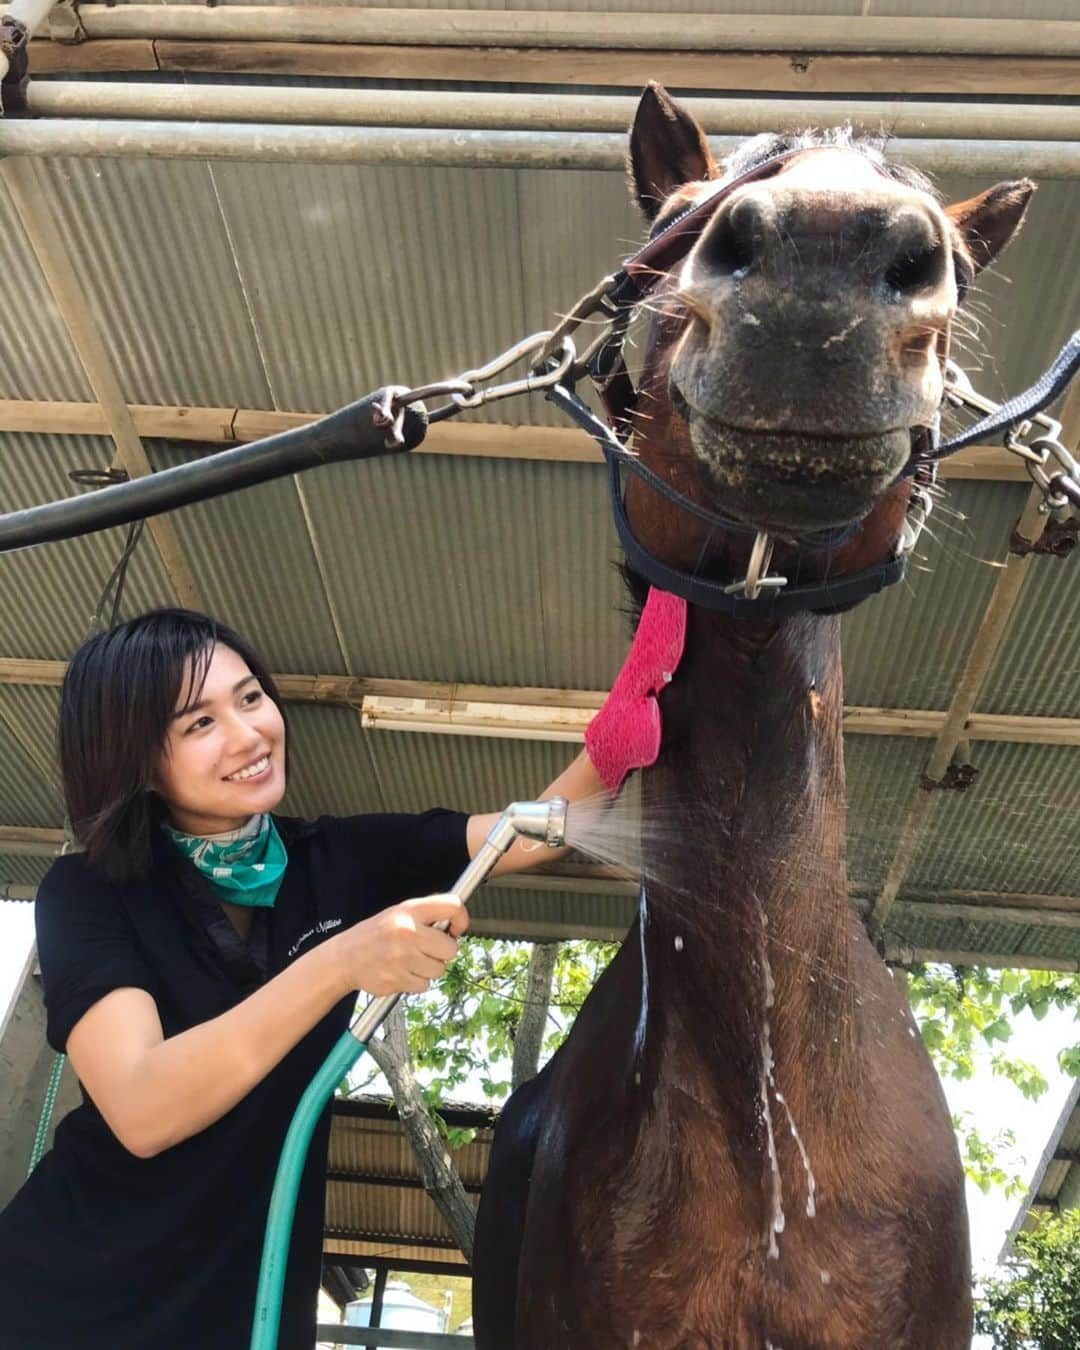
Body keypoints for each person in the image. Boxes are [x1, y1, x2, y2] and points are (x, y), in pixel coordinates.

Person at [0, 608, 609, 1350]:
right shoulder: (90, 891)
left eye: (250, 697)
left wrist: (633, 717)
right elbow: (142, 1107)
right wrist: (340, 962)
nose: (250, 733)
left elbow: (534, 832)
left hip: (249, 1297)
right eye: (199, 724)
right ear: (134, 758)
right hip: (68, 1298)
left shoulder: (337, 858)